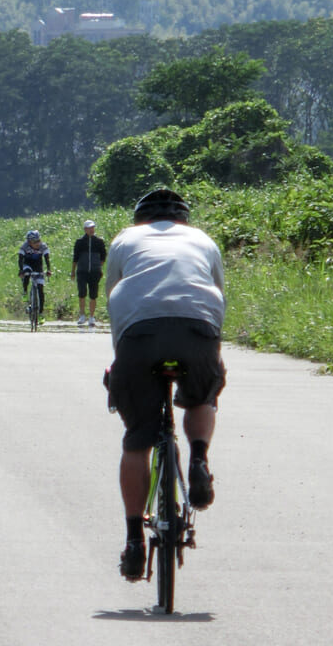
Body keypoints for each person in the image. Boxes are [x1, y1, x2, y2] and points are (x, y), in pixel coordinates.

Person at [104, 188, 226, 581]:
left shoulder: (125, 239)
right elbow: (217, 297)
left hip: (139, 336)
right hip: (197, 329)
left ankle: (134, 542)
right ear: (184, 220)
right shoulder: (203, 241)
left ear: (141, 220)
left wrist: (120, 362)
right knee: (202, 395)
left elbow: (115, 300)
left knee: (137, 439)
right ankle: (200, 459)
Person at [70, 219, 107, 326]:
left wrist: (99, 267)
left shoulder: (99, 242)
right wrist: (73, 271)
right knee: (82, 293)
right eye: (89, 228)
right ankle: (82, 315)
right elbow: (75, 258)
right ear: (85, 229)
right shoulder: (80, 242)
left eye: (93, 228)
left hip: (94, 272)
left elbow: (103, 256)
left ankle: (91, 317)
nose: (91, 230)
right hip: (82, 271)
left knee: (93, 294)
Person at [17, 230, 52, 315]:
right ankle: (25, 291)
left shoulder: (43, 246)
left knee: (40, 290)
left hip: (38, 266)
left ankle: (40, 313)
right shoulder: (25, 246)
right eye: (35, 241)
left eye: (38, 240)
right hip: (27, 264)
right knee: (27, 273)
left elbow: (47, 259)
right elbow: (20, 259)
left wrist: (48, 270)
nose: (37, 243)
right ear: (29, 241)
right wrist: (21, 270)